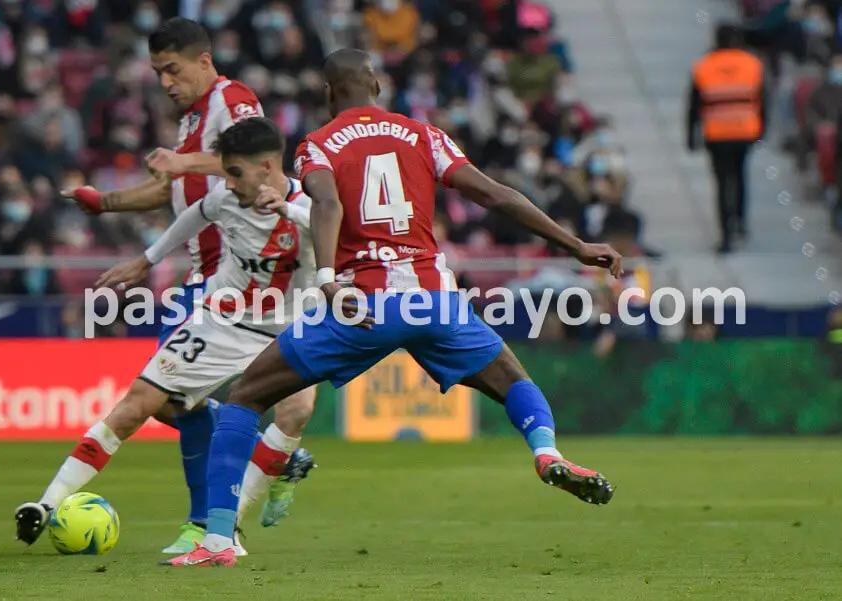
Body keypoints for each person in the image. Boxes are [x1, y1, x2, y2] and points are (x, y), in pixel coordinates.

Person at [164, 49, 622, 568]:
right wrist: (576, 245)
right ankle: (546, 453)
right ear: (377, 85)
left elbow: (328, 204)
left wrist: (330, 279)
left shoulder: (318, 144)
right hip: (436, 299)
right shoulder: (425, 135)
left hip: (365, 302)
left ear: (329, 93)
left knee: (246, 396)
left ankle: (218, 540)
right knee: (513, 379)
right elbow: (494, 196)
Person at [30, 17, 314, 555]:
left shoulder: (233, 99)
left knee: (168, 400)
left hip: (230, 274)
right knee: (171, 403)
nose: (165, 81)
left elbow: (252, 160)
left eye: (172, 69)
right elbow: (176, 191)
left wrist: (185, 162)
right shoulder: (191, 122)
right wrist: (106, 202)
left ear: (202, 61)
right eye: (158, 71)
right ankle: (260, 465)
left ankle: (205, 519)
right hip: (203, 271)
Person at [687, 23, 767, 254]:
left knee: (722, 182)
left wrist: (691, 135)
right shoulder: (752, 64)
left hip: (717, 132)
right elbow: (763, 99)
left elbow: (693, 105)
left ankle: (725, 235)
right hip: (745, 131)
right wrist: (762, 129)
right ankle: (740, 221)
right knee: (740, 175)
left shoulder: (703, 66)